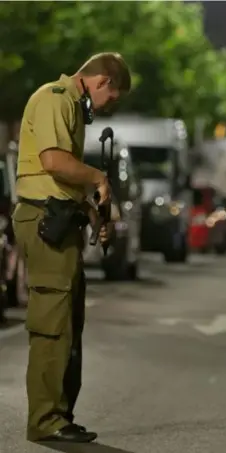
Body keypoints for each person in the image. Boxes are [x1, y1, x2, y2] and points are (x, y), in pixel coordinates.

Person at [13, 52, 131, 443]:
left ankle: (59, 415)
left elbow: (67, 180)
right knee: (52, 323)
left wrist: (97, 217)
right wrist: (98, 176)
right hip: (43, 221)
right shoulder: (55, 97)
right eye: (111, 96)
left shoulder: (72, 108)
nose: (110, 105)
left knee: (67, 323)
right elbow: (54, 162)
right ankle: (45, 420)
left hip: (61, 221)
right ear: (100, 81)